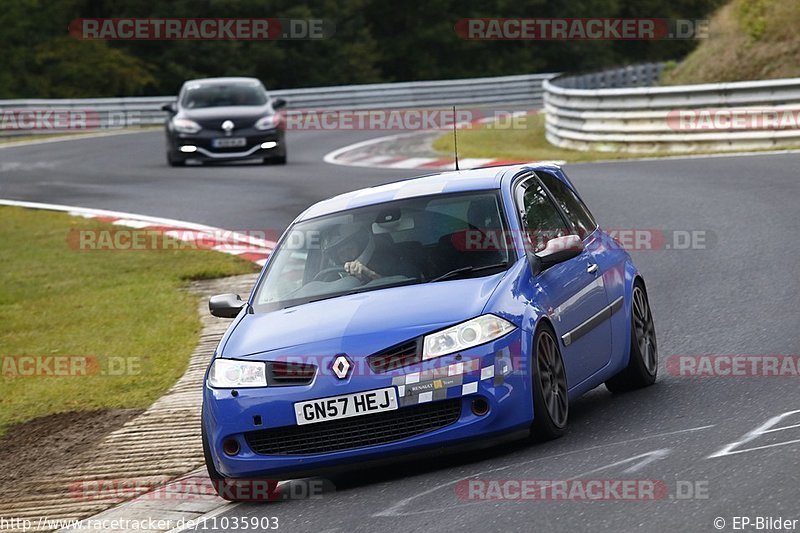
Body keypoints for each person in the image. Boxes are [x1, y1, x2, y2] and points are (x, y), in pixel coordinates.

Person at [324, 223, 419, 282]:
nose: (348, 256)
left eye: (350, 249)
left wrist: (369, 274)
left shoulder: (391, 262)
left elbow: (409, 289)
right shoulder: (332, 277)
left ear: (361, 246)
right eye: (342, 254)